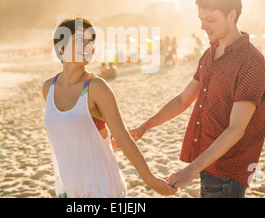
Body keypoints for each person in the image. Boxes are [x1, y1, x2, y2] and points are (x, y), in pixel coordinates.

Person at [130, 0, 265, 198]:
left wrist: (192, 168)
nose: (203, 26)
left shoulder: (251, 62)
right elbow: (183, 100)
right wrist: (144, 127)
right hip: (207, 161)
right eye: (201, 18)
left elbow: (236, 128)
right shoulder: (209, 54)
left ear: (232, 15)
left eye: (210, 19)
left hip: (227, 170)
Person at [42, 17, 176, 198]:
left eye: (91, 42)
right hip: (69, 188)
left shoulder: (96, 88)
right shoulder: (48, 88)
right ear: (61, 48)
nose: (88, 47)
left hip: (102, 187)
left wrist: (149, 179)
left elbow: (122, 136)